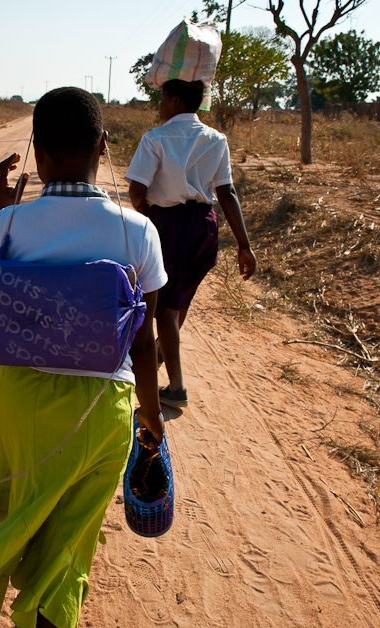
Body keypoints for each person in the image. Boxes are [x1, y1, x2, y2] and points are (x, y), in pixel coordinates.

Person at [0, 87, 167, 628]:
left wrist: (8, 218)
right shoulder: (138, 230)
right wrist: (150, 416)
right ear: (103, 146)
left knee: (30, 507)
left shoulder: (11, 225)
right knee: (72, 542)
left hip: (26, 399)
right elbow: (143, 339)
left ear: (37, 150)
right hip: (104, 407)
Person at [126, 78, 256, 409]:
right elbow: (227, 192)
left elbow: (137, 191)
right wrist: (244, 244)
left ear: (175, 101)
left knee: (164, 310)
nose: (159, 105)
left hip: (169, 225)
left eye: (163, 98)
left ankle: (176, 387)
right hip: (204, 227)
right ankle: (158, 353)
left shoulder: (156, 139)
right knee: (178, 300)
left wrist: (147, 216)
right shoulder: (216, 139)